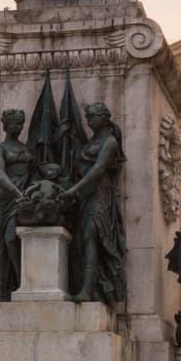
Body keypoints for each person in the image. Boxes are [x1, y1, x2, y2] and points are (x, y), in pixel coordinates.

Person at [60, 102, 126, 303]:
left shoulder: (110, 142)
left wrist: (73, 189)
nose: (88, 121)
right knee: (81, 241)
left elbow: (97, 170)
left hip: (100, 195)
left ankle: (88, 290)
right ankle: (87, 286)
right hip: (84, 197)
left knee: (91, 235)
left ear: (104, 117)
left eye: (92, 117)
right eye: (87, 118)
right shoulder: (92, 141)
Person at [0, 109, 34, 303]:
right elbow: (1, 174)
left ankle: (21, 283)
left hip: (20, 200)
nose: (17, 127)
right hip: (1, 200)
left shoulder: (26, 148)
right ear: (4, 124)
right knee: (3, 244)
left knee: (12, 238)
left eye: (20, 123)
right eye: (13, 123)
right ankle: (3, 289)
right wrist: (19, 193)